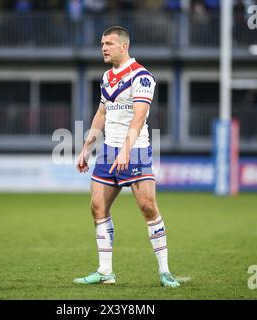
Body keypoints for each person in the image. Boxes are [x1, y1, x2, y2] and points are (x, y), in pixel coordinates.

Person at [73, 26, 180, 287]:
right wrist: (86, 147)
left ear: (124, 46)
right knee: (97, 206)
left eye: (109, 43)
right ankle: (105, 271)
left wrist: (126, 150)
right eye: (101, 44)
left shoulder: (142, 77)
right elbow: (102, 113)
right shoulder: (107, 78)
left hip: (136, 151)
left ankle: (165, 271)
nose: (104, 48)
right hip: (108, 151)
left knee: (147, 208)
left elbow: (139, 117)